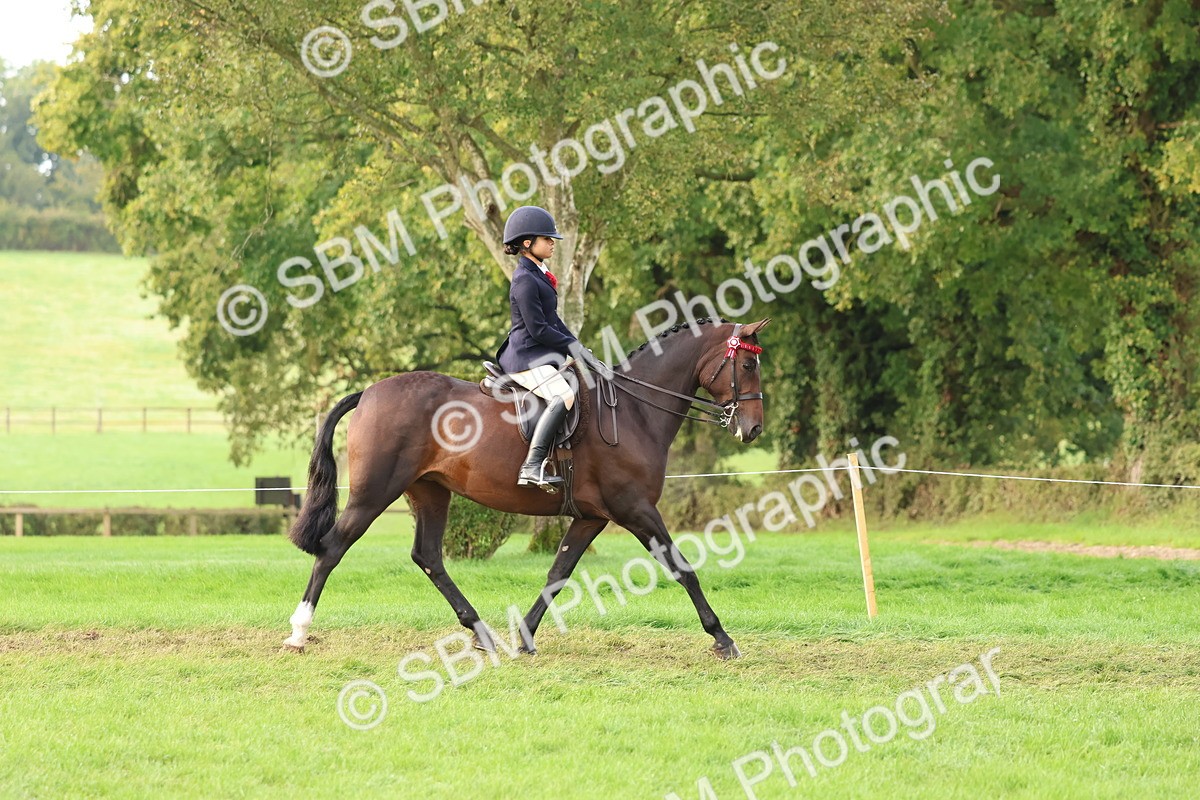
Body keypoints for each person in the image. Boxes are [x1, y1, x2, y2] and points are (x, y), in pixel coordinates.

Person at [494, 205, 579, 492]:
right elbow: (538, 329)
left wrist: (579, 348)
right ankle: (532, 466)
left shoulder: (539, 275)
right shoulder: (524, 280)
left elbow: (553, 320)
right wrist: (571, 347)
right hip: (524, 358)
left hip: (538, 355)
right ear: (528, 243)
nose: (552, 242)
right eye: (547, 238)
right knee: (563, 394)